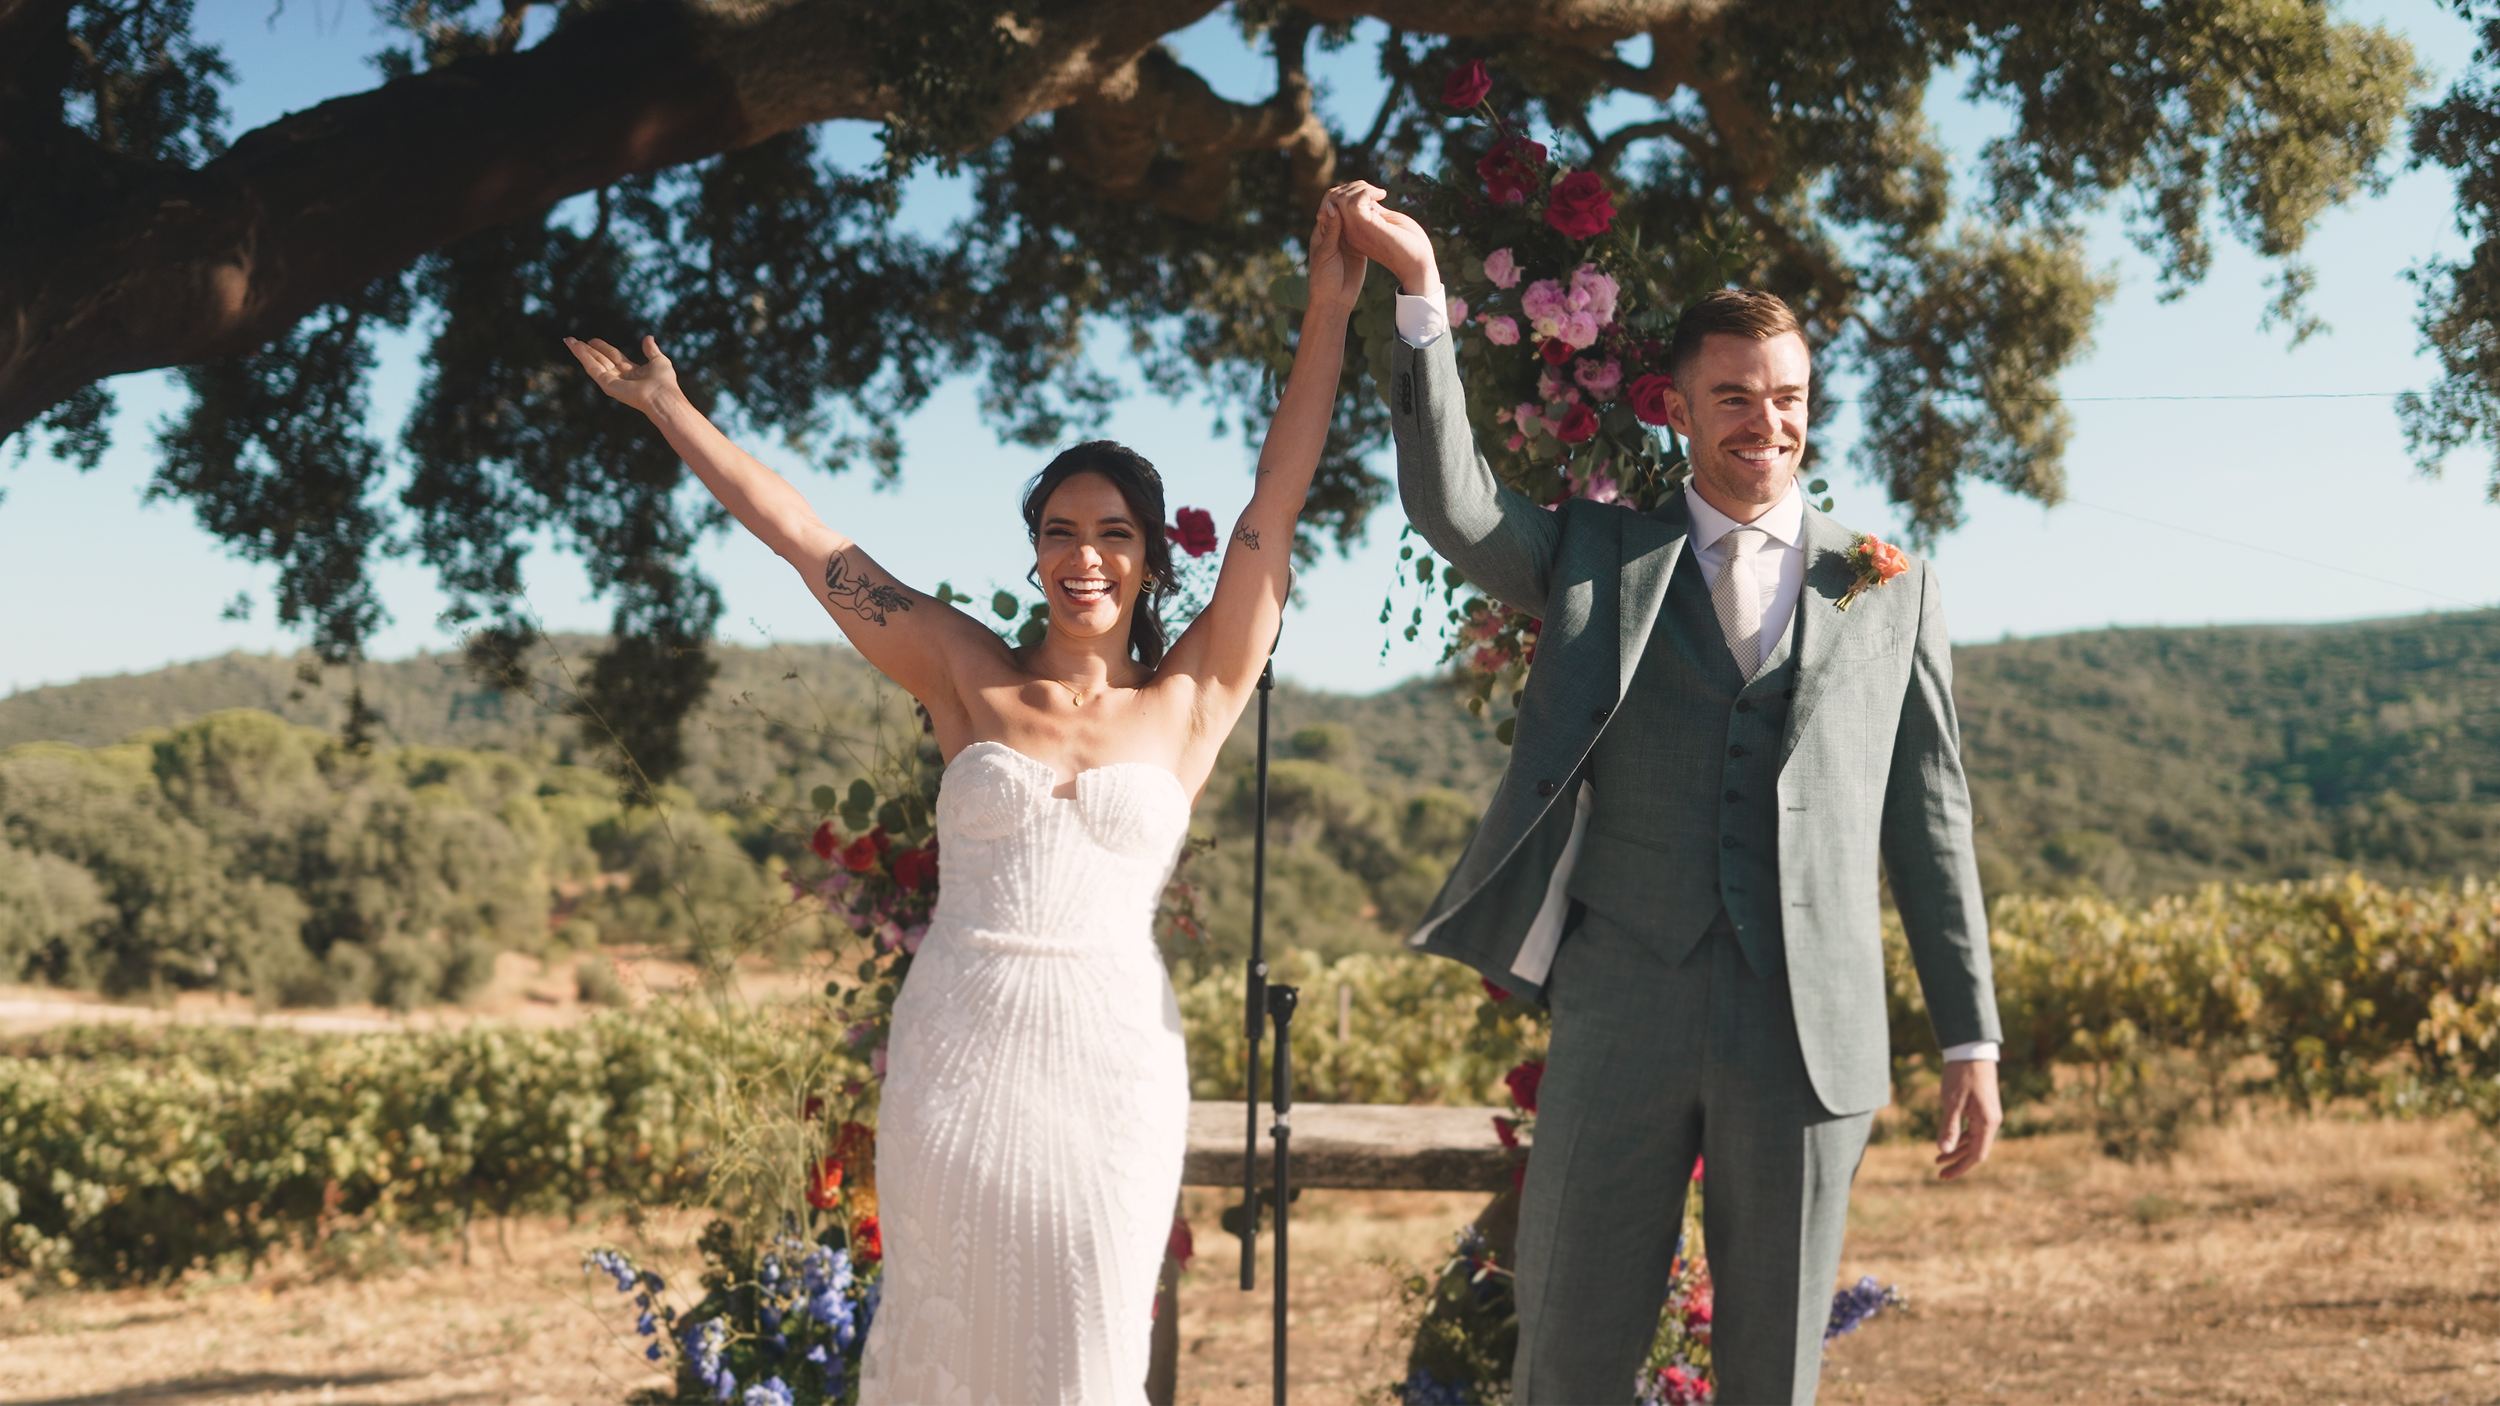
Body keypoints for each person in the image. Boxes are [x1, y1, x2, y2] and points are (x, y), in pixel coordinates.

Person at [565, 188, 1373, 1404]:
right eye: (1059, 530)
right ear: (1033, 550)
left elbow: (1278, 493)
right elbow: (810, 542)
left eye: (1111, 533)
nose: (1083, 555)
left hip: (1111, 1066)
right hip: (959, 1047)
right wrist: (668, 405)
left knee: (1088, 1348)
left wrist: (1327, 310)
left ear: (1150, 555)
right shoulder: (964, 671)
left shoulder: (1194, 694)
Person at [1335, 185, 2004, 1405]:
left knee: (1771, 1378)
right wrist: (1422, 301)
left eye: (1787, 396)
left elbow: (1931, 817)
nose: (1767, 420)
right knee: (1570, 1361)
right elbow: (1453, 506)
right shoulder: (1600, 554)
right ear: (1680, 407)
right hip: (1621, 1009)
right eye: (1736, 395)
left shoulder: (1888, 583)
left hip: (1810, 1032)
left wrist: (1970, 1032)